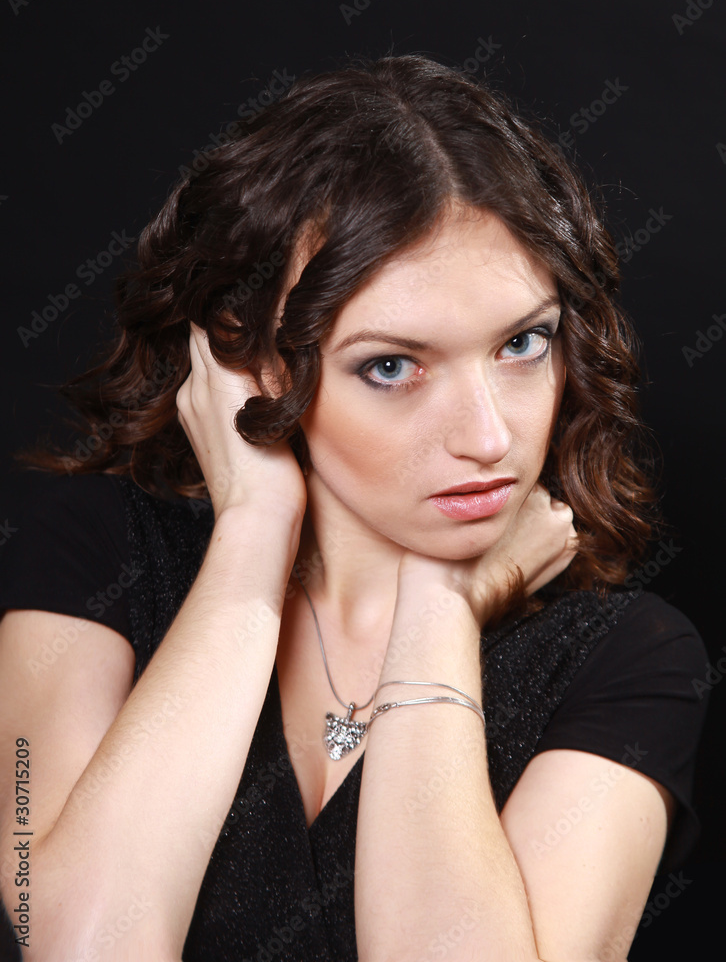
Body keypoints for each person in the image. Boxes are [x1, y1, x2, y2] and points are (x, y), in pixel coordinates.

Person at [0, 54, 709, 962]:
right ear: (254, 364)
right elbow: (75, 944)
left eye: (522, 344)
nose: (489, 435)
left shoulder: (629, 659)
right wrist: (255, 527)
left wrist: (441, 607)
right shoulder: (95, 558)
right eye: (392, 366)